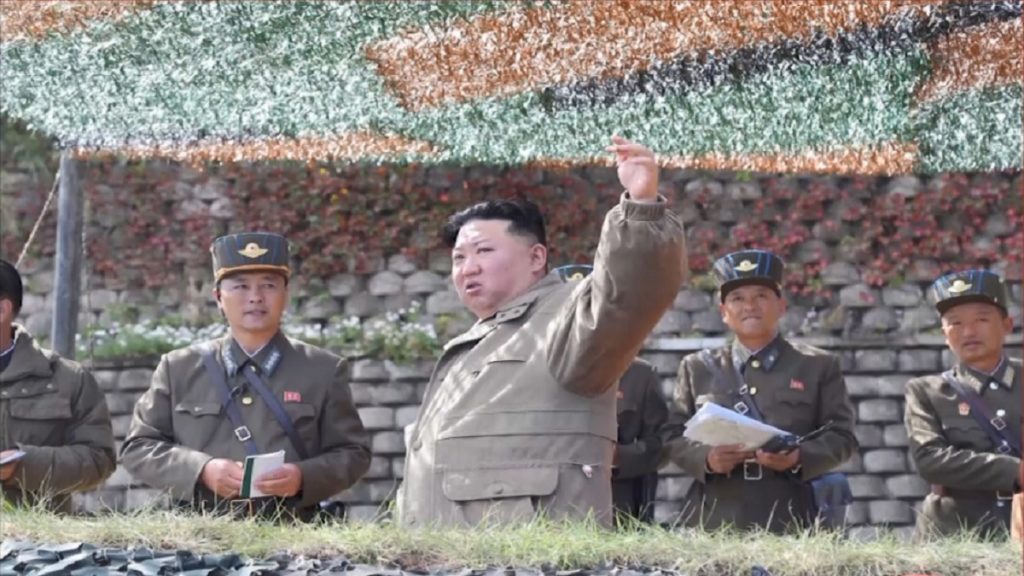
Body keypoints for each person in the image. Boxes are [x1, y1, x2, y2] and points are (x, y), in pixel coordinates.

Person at [396, 136, 688, 527]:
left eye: (484, 251)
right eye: (459, 258)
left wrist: (641, 207)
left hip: (531, 552)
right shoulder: (475, 342)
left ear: (536, 258)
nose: (468, 268)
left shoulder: (566, 315)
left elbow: (627, 294)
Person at [121, 232, 371, 521]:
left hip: (293, 535)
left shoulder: (323, 369)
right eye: (240, 286)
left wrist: (302, 477)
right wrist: (201, 469)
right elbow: (138, 447)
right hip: (198, 537)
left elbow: (353, 453)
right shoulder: (178, 368)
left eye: (269, 285)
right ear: (218, 298)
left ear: (286, 295)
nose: (255, 297)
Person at [663, 249, 857, 533]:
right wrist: (706, 459)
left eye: (761, 296)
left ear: (781, 306)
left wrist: (798, 457)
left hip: (793, 518)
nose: (749, 306)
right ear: (724, 312)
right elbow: (671, 435)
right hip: (716, 520)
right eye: (737, 298)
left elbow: (842, 437)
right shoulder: (698, 368)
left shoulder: (817, 366)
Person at [904, 269, 1020, 539]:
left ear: (1007, 325)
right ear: (944, 334)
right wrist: (1015, 471)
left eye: (981, 319)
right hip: (952, 534)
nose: (968, 332)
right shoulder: (925, 391)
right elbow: (930, 461)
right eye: (955, 323)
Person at [554, 264, 669, 525]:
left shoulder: (640, 375)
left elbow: (661, 444)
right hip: (549, 508)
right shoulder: (532, 373)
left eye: (589, 308)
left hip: (617, 510)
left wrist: (619, 456)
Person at [0, 258, 115, 512]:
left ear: (2, 310)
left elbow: (99, 460)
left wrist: (24, 466)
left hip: (35, 536)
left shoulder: (68, 379)